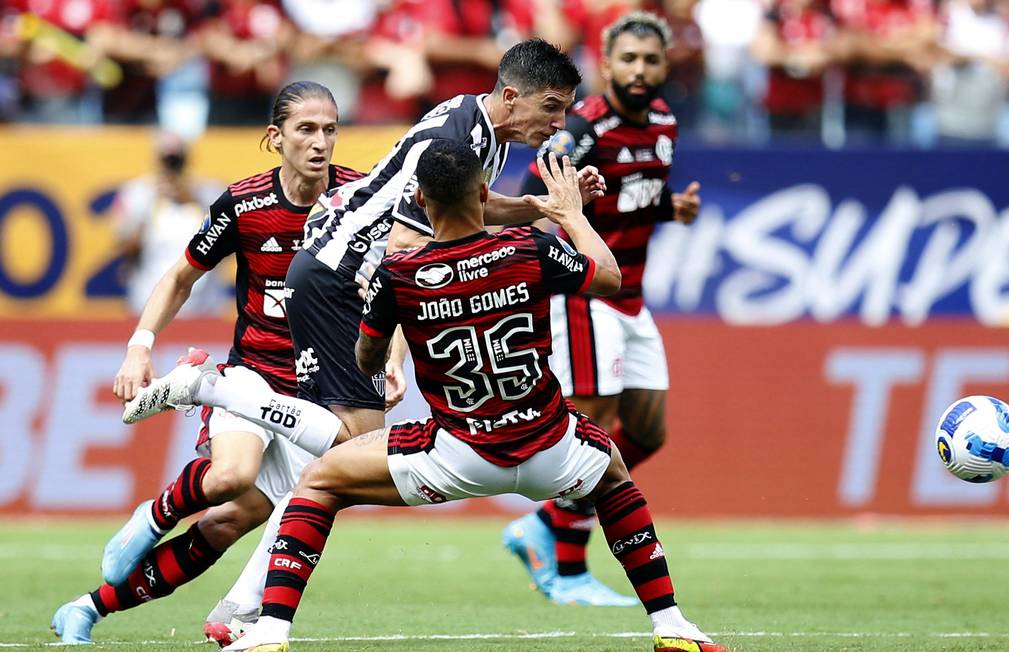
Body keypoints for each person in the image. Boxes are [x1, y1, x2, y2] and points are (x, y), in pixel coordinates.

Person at [142, 141, 727, 652]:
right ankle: (672, 624)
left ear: (418, 202)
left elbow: (368, 359)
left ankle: (268, 631)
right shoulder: (529, 249)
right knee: (616, 475)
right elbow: (608, 277)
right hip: (549, 445)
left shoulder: (399, 275)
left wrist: (394, 339)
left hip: (455, 456)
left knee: (319, 483)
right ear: (482, 193)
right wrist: (570, 213)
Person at [117, 37, 603, 643]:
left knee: (333, 464)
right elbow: (405, 250)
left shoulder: (478, 126)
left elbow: (465, 210)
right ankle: (214, 390)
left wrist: (544, 208)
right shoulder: (458, 140)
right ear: (511, 96)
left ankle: (239, 610)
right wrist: (402, 339)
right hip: (338, 279)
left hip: (340, 273)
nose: (559, 124)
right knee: (356, 447)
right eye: (552, 108)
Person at [49, 81, 368, 645]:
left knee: (226, 523)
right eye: (306, 130)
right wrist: (140, 344)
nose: (321, 143)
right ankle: (154, 515)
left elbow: (391, 279)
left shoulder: (360, 199)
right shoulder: (245, 204)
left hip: (314, 395)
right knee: (230, 476)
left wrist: (386, 356)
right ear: (276, 138)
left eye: (330, 129)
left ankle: (88, 608)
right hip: (250, 376)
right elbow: (179, 276)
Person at [503, 12, 702, 608]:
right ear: (606, 64)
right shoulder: (587, 124)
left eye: (650, 60)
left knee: (647, 431)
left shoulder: (665, 120)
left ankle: (541, 521)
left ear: (665, 65)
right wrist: (567, 182)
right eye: (628, 60)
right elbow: (544, 170)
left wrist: (671, 209)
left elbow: (633, 196)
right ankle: (566, 570)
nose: (639, 71)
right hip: (587, 290)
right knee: (593, 428)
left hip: (632, 297)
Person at [112, 130, 225, 316]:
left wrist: (192, 198)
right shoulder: (137, 193)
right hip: (149, 299)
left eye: (177, 161)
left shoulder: (210, 192)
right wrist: (152, 202)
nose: (172, 167)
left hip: (202, 303)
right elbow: (124, 246)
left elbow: (228, 242)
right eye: (167, 160)